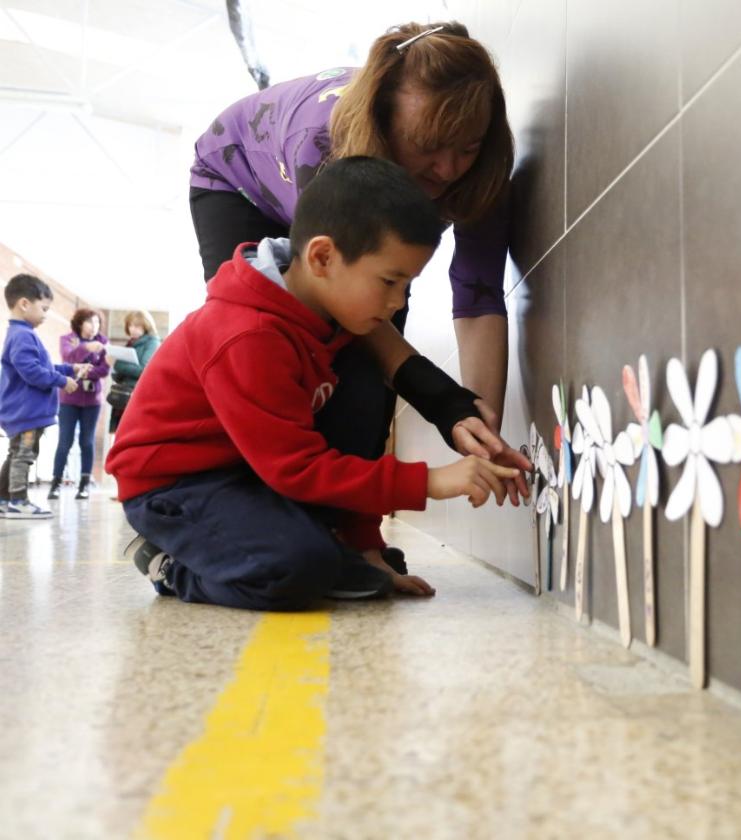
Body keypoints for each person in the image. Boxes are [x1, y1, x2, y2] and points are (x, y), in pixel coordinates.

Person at [106, 157, 519, 611]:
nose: (397, 302)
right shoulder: (249, 334)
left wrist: (368, 546)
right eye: (389, 280)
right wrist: (431, 482)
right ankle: (167, 564)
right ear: (322, 257)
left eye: (407, 284)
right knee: (296, 569)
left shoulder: (329, 317)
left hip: (246, 471)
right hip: (173, 486)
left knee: (333, 558)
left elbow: (349, 440)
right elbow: (297, 468)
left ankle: (329, 553)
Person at [189, 20, 530, 564]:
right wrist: (441, 401)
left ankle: (353, 534)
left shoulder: (478, 166)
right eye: (428, 147)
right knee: (279, 340)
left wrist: (475, 422)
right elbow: (340, 309)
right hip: (238, 181)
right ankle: (233, 512)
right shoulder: (324, 145)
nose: (447, 169)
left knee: (377, 336)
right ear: (383, 123)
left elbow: (479, 291)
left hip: (342, 208)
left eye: (465, 147)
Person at [1, 274, 88, 519]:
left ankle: (4, 499)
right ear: (24, 304)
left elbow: (43, 367)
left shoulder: (21, 334)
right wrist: (63, 381)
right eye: (44, 308)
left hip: (23, 411)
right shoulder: (23, 336)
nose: (46, 314)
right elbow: (32, 372)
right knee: (24, 455)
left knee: (16, 454)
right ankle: (18, 501)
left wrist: (70, 369)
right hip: (26, 412)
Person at [49, 308, 110, 500]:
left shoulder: (103, 342)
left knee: (87, 441)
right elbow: (68, 359)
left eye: (97, 323)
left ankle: (84, 485)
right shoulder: (67, 339)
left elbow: (104, 370)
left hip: (93, 400)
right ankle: (55, 484)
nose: (94, 327)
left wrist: (86, 369)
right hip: (69, 398)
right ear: (80, 323)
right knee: (64, 441)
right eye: (90, 322)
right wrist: (85, 349)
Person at [107, 310, 161, 432]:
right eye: (130, 325)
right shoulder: (132, 343)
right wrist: (114, 369)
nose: (132, 329)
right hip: (123, 396)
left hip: (137, 395)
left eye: (136, 326)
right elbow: (122, 376)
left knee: (132, 433)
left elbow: (144, 370)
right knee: (119, 434)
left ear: (146, 326)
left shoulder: (152, 343)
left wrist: (117, 364)